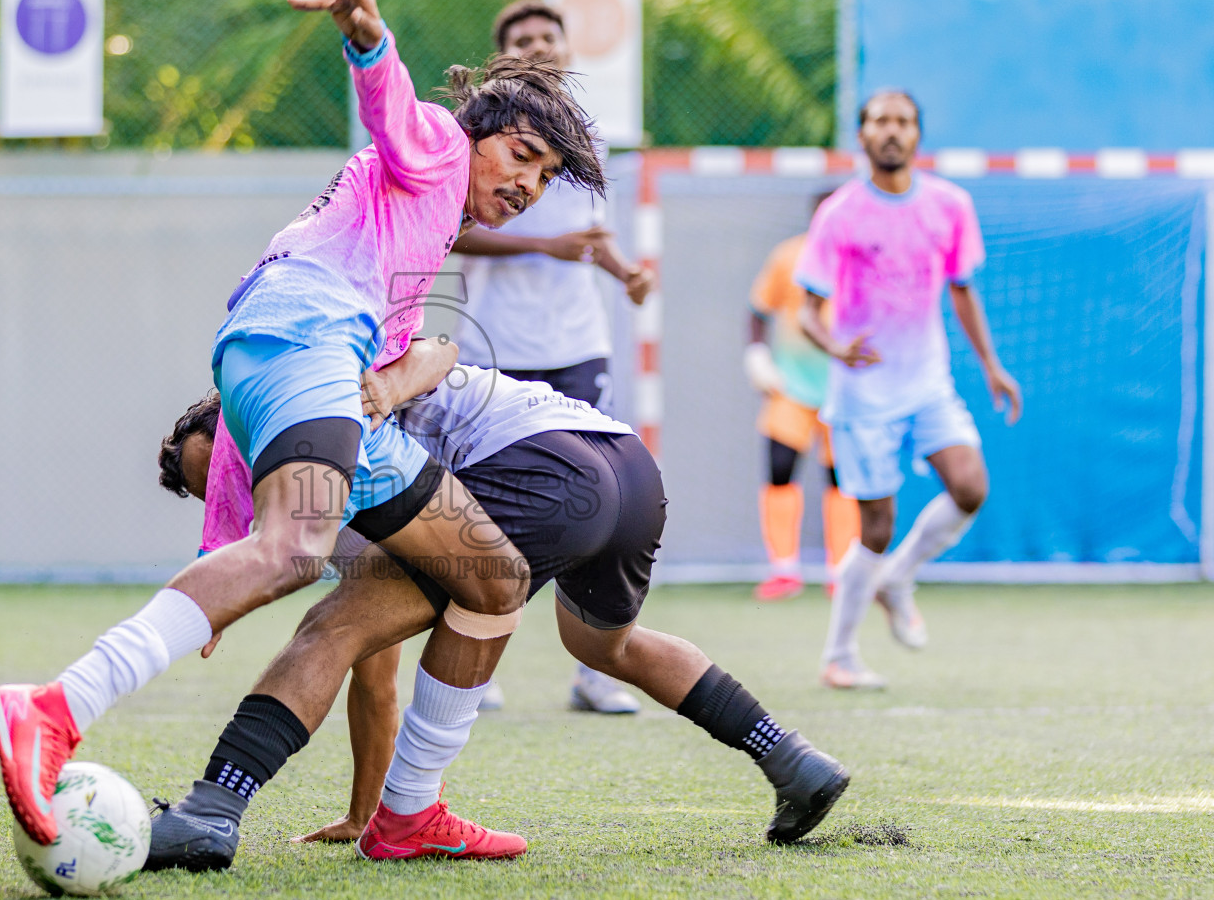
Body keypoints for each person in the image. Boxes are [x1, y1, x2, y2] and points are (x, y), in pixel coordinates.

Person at [0, 0, 606, 847]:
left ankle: (405, 812)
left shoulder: (418, 227)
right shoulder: (433, 145)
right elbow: (390, 102)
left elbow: (309, 393)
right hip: (310, 336)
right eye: (522, 157)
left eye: (545, 179)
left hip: (332, 375)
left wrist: (221, 546)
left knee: (492, 574)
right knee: (295, 552)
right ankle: (55, 707)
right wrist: (368, 38)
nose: (527, 185)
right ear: (478, 132)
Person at [144, 340, 850, 869]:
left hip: (536, 466)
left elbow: (432, 345)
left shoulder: (312, 424)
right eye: (227, 499)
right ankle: (791, 760)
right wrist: (362, 809)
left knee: (337, 622)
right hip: (622, 469)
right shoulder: (313, 433)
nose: (249, 496)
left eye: (238, 472)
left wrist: (222, 601)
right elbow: (373, 663)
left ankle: (215, 808)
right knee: (605, 646)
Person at [448, 0, 656, 714]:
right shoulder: (480, 135)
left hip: (577, 347)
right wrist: (545, 245)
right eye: (523, 38)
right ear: (505, 54)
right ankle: (474, 656)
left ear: (568, 49)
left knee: (595, 500)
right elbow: (454, 231)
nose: (539, 46)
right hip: (495, 346)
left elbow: (590, 241)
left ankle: (597, 669)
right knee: (483, 509)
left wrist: (625, 271)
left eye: (549, 36)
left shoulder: (587, 142)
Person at [795, 90, 1022, 690]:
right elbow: (807, 312)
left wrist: (993, 367)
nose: (891, 132)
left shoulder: (950, 204)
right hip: (863, 393)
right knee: (875, 527)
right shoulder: (840, 214)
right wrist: (836, 347)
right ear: (862, 135)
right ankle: (839, 657)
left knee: (971, 486)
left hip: (927, 383)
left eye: (903, 122)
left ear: (918, 135)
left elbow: (963, 289)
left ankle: (898, 578)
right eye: (879, 122)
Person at [744, 195, 860, 601]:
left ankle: (842, 570)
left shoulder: (862, 263)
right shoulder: (789, 256)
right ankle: (784, 570)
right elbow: (758, 309)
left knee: (843, 479)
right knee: (779, 469)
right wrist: (757, 354)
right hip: (791, 386)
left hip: (845, 390)